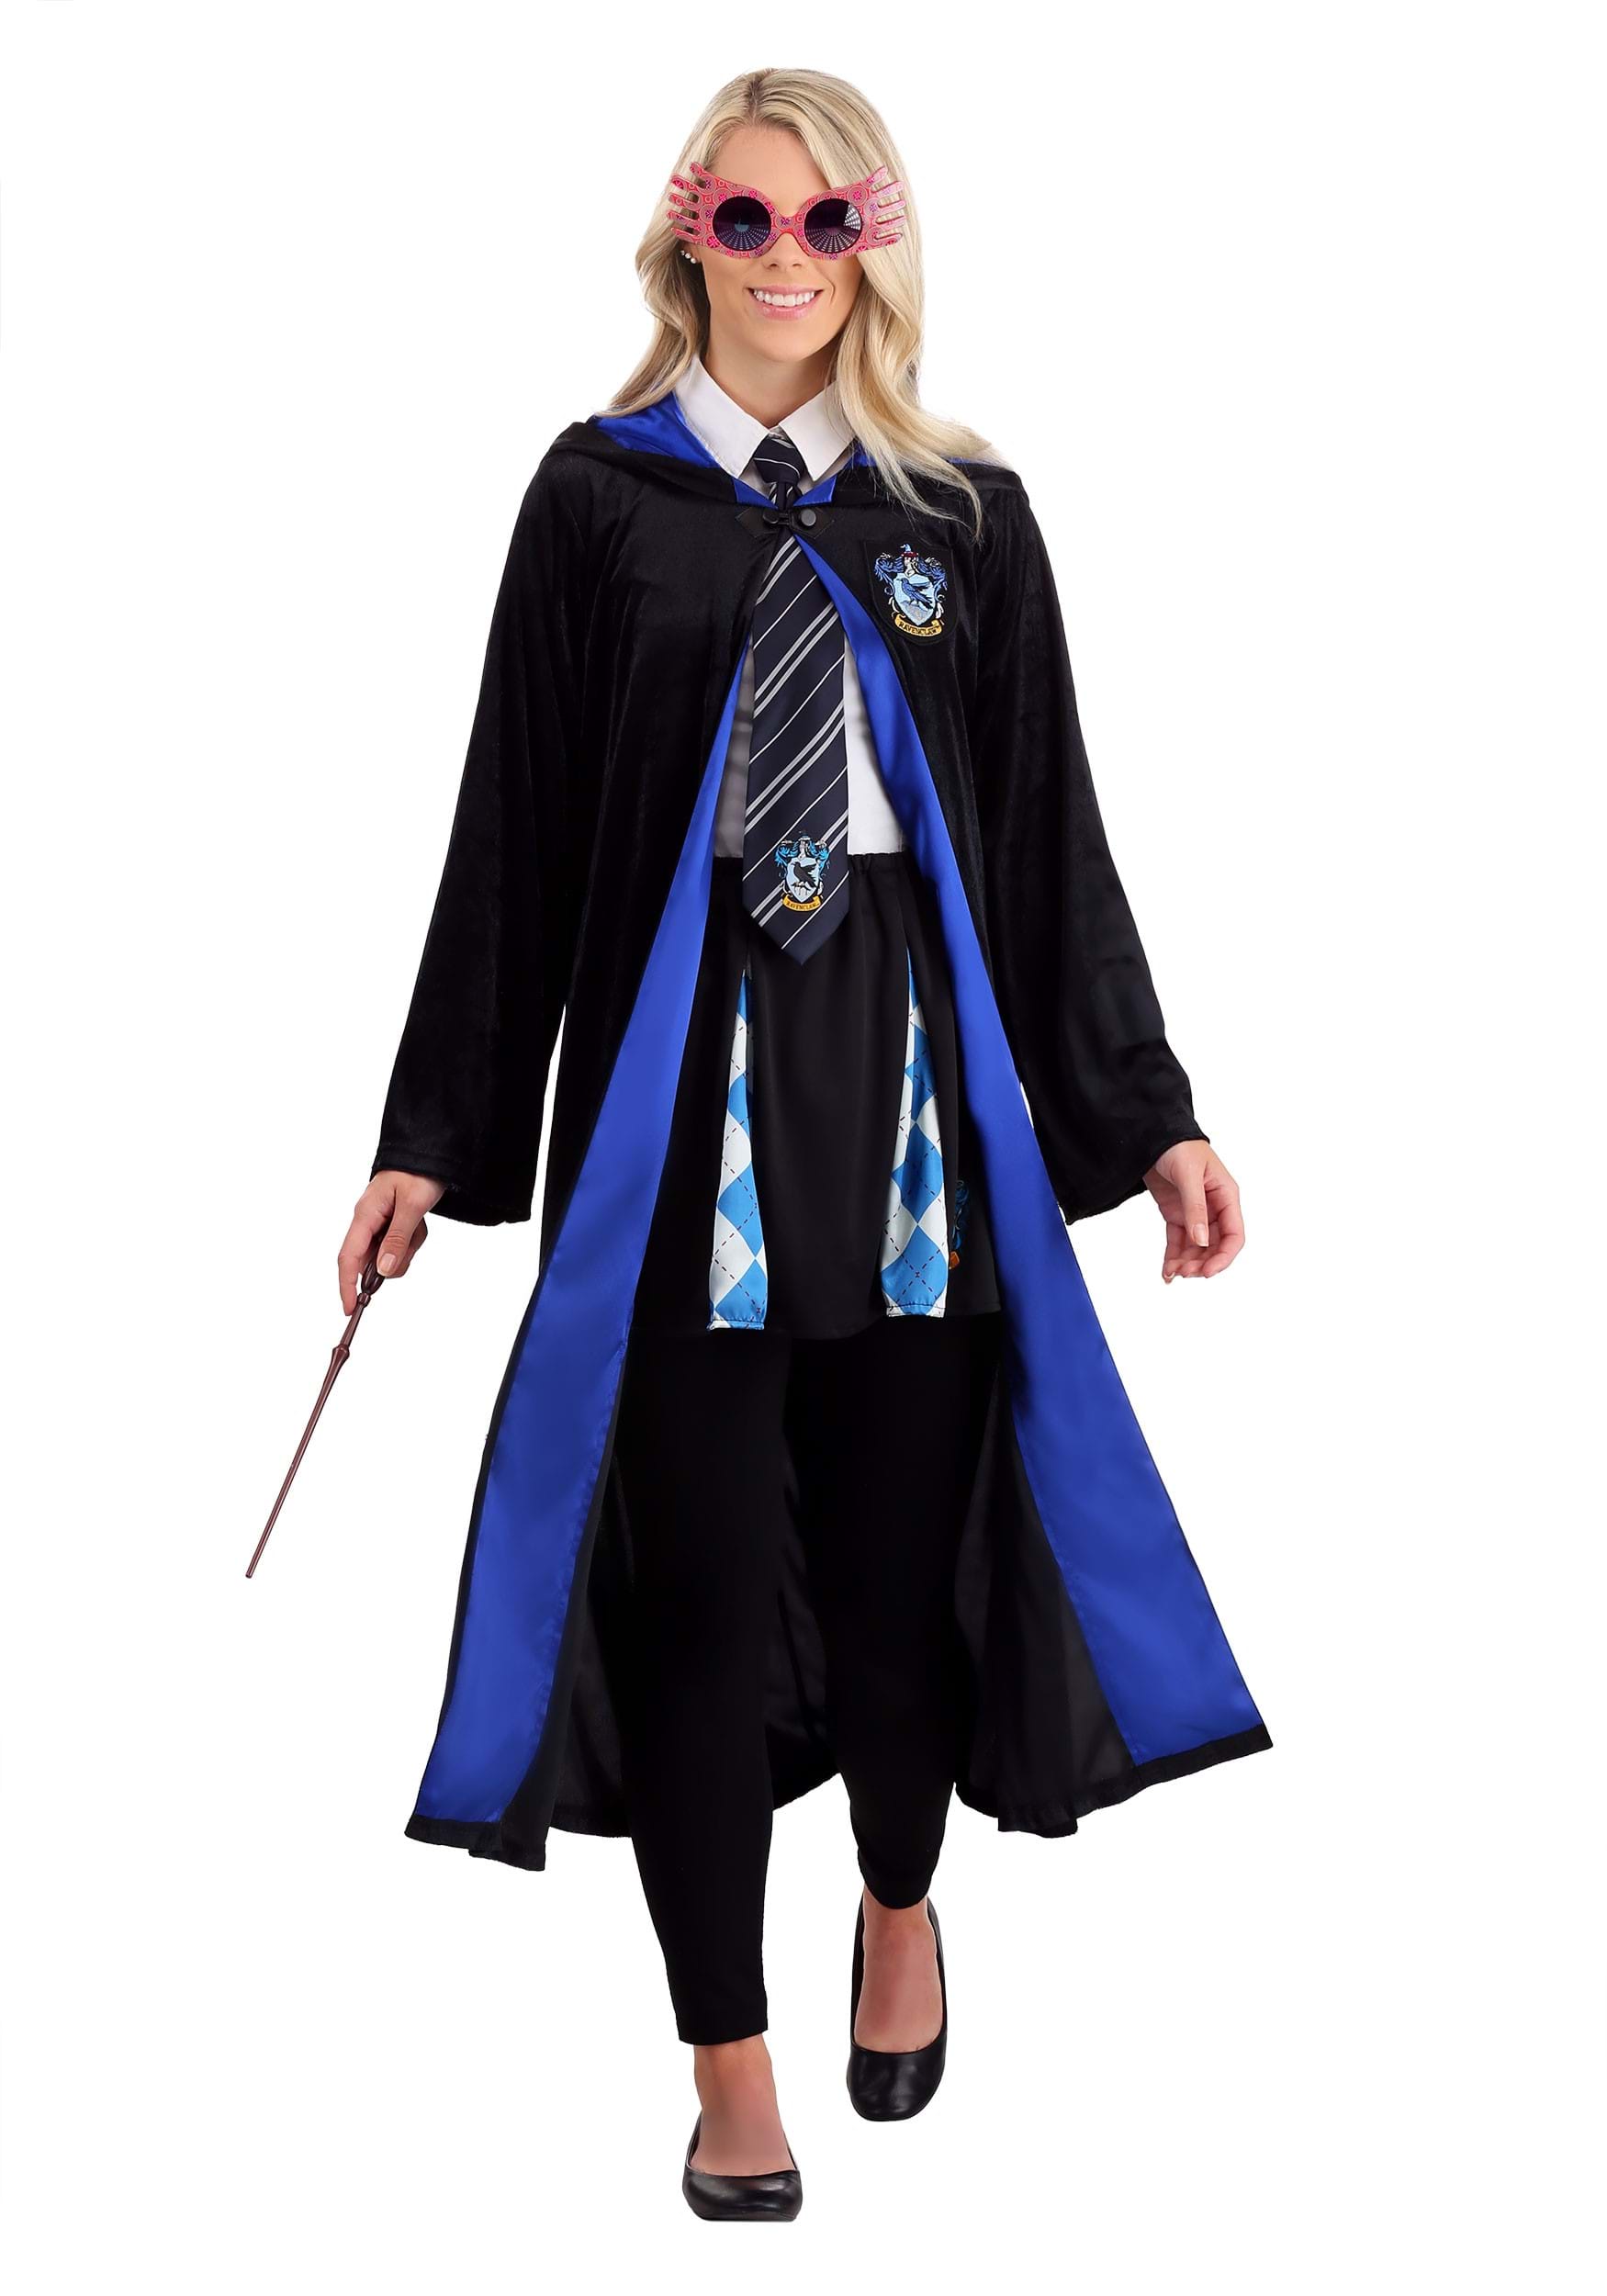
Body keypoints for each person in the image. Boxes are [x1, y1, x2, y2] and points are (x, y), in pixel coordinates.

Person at [338, 66, 1268, 2221]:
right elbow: (513, 832)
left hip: (910, 1096)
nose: (782, 262)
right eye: (740, 220)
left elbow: (1043, 842)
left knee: (886, 1571)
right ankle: (726, 2061)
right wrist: (428, 1134)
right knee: (683, 1593)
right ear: (685, 236)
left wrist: (1146, 1116)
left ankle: (897, 1889)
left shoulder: (958, 515)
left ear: (878, 241)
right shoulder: (599, 502)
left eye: (824, 220)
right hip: (681, 1097)